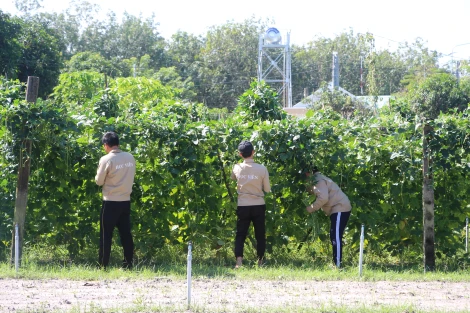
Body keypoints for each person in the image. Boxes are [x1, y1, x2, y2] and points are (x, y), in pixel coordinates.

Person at [95, 131, 136, 270]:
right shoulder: (130, 157)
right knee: (126, 234)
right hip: (125, 201)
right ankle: (128, 264)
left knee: (106, 235)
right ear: (118, 143)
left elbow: (99, 181)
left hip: (110, 201)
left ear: (106, 145)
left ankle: (103, 265)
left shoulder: (106, 159)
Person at [231, 140, 271, 268]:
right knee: (260, 233)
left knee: (240, 233)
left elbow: (233, 178)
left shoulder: (237, 167)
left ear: (240, 154)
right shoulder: (262, 168)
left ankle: (239, 261)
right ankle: (260, 261)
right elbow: (267, 189)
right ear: (253, 152)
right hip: (258, 204)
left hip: (243, 205)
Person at [304, 167, 351, 268]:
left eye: (305, 175)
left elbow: (323, 198)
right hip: (338, 209)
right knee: (334, 236)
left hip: (340, 208)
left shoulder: (318, 180)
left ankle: (338, 265)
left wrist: (310, 208)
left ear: (308, 173)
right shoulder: (318, 179)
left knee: (336, 237)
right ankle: (337, 263)